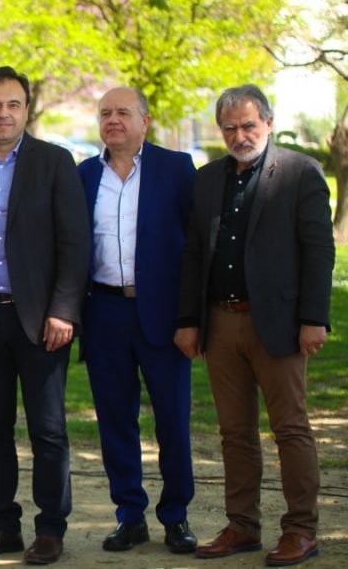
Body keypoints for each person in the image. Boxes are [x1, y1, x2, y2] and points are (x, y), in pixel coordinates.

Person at [175, 85, 334, 567]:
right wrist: (188, 320)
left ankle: (301, 530)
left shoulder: (300, 172)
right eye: (229, 128)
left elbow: (319, 251)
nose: (239, 135)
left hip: (280, 325)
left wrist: (314, 319)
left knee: (291, 430)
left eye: (248, 125)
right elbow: (195, 253)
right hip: (220, 323)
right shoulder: (207, 179)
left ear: (268, 122)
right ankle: (242, 526)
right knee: (234, 433)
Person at [0, 66, 89, 564]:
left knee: (48, 430)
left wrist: (64, 310)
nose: (3, 114)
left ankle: (50, 529)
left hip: (42, 322)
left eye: (12, 104)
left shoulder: (55, 162)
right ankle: (3, 526)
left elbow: (74, 243)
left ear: (26, 110)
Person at [76, 87, 197, 554]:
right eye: (105, 113)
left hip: (164, 316)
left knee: (173, 421)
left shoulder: (176, 169)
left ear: (144, 121)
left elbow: (196, 247)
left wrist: (190, 317)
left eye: (123, 112)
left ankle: (176, 516)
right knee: (115, 423)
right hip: (104, 313)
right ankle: (129, 516)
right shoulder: (85, 175)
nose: (113, 120)